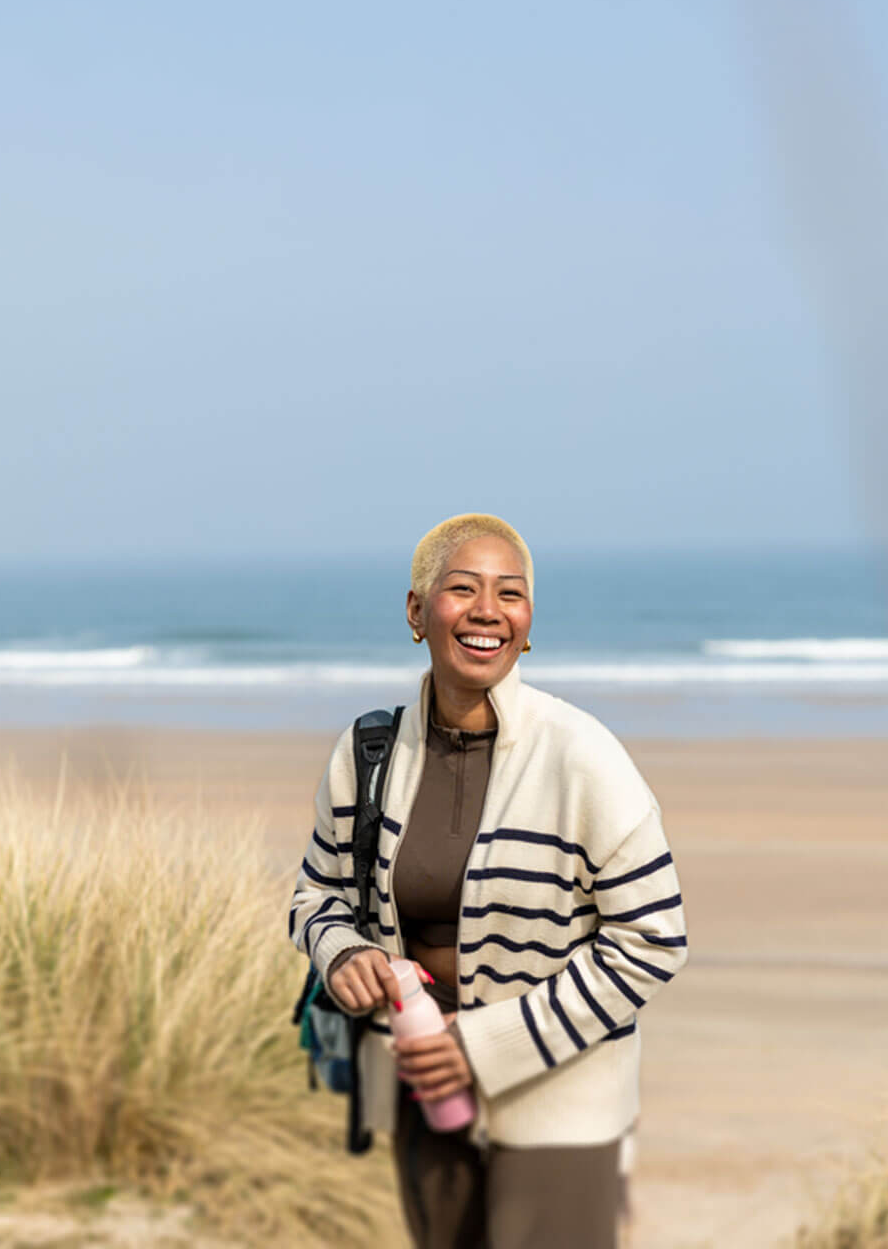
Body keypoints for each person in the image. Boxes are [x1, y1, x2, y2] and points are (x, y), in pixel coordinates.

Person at [286, 513, 688, 1249]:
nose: (487, 611)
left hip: (559, 1101)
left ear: (528, 623)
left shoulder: (583, 755)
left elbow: (653, 940)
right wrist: (341, 953)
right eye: (463, 588)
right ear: (417, 611)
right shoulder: (368, 751)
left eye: (510, 593)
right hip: (422, 1087)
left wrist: (483, 1045)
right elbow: (318, 895)